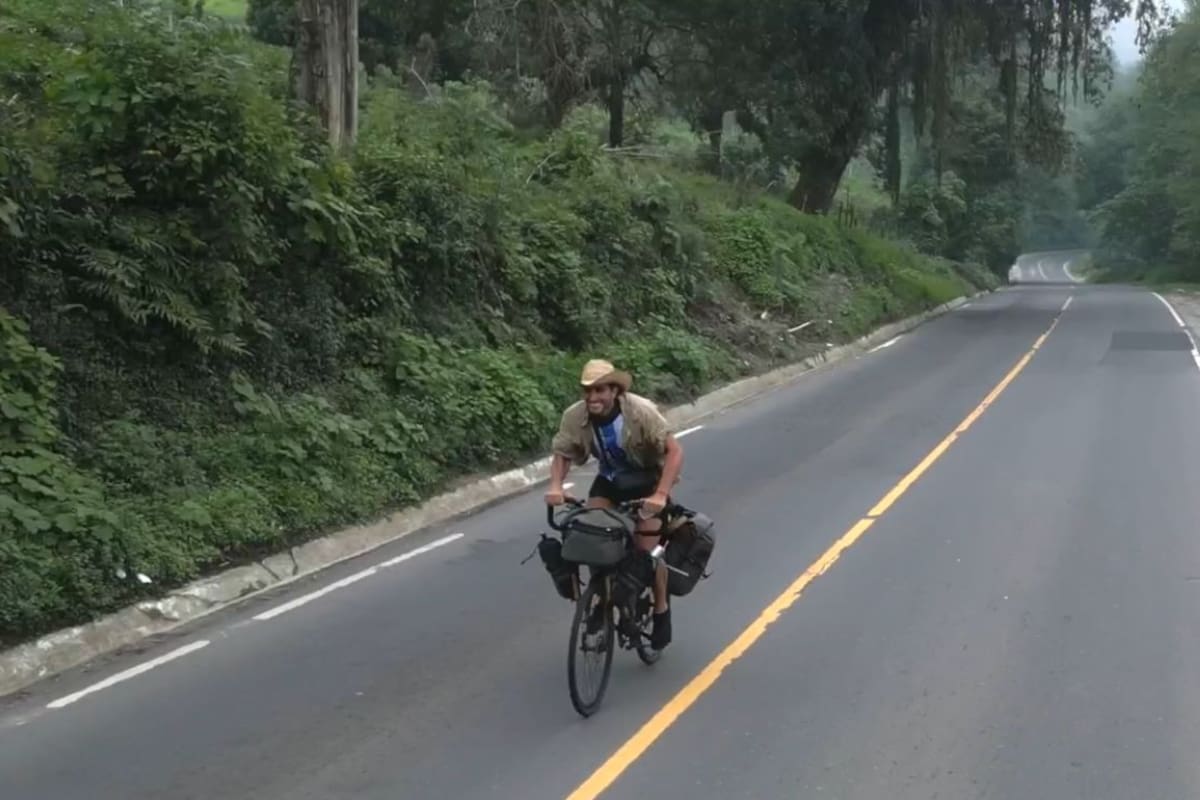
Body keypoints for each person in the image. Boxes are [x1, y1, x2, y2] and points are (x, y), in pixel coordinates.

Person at [545, 359, 684, 650]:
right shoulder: (575, 415)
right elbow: (563, 452)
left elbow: (674, 451)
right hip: (610, 481)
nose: (593, 397)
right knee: (591, 538)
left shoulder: (640, 411)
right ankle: (601, 599)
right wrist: (556, 486)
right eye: (588, 391)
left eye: (599, 390)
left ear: (615, 391)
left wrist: (660, 495)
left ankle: (661, 609)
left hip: (646, 481)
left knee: (648, 555)